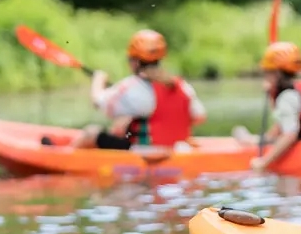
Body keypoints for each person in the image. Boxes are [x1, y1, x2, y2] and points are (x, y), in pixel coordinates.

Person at [70, 29, 205, 150]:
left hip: (145, 154)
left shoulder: (133, 86)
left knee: (91, 132)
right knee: (123, 124)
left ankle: (66, 157)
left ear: (134, 61)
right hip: (177, 150)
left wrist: (98, 79)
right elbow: (199, 117)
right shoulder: (183, 86)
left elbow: (98, 102)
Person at [232, 42, 301, 171]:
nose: (265, 76)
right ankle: (254, 140)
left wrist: (263, 163)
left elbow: (289, 135)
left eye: (267, 72)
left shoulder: (287, 96)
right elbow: (283, 124)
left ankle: (255, 142)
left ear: (276, 73)